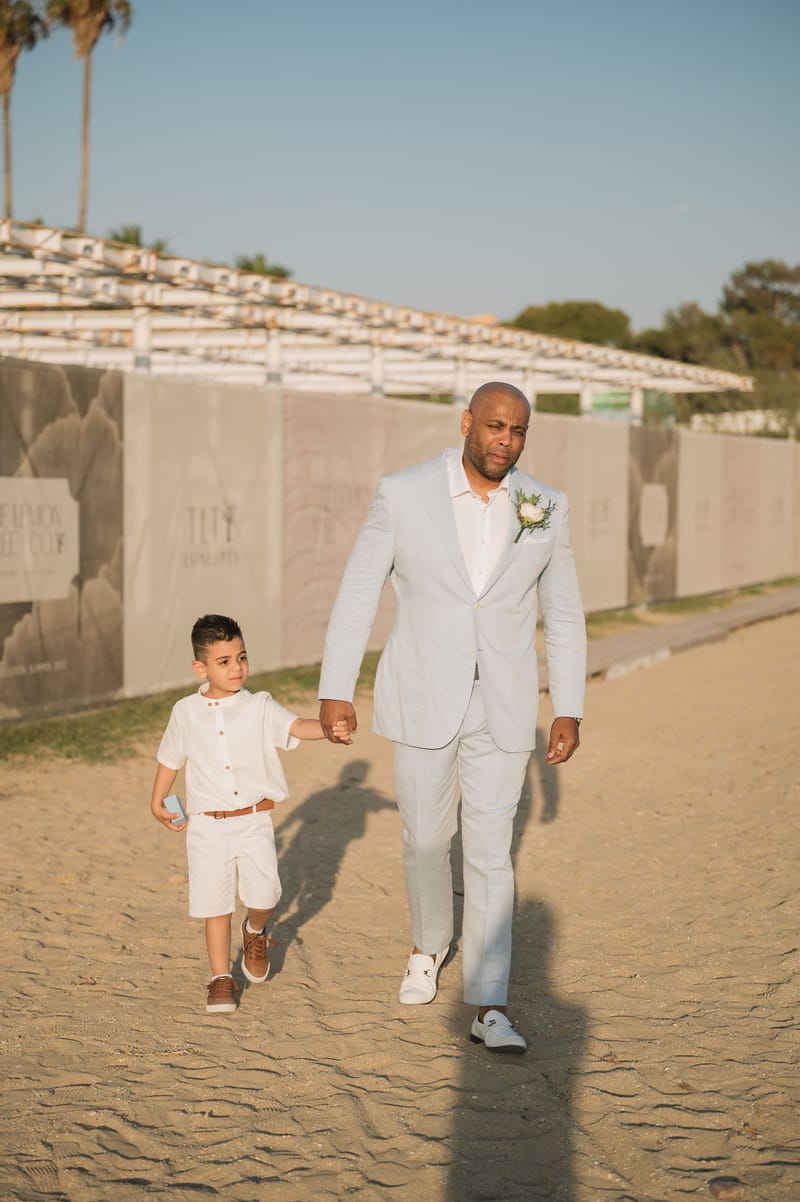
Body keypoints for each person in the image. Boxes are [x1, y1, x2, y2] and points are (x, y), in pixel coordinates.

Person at [318, 382, 586, 1052]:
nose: (506, 440)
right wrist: (335, 687)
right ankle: (428, 944)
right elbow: (358, 591)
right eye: (496, 426)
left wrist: (569, 705)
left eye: (518, 431)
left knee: (492, 850)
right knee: (427, 841)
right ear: (468, 422)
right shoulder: (403, 493)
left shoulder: (545, 506)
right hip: (421, 695)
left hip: (504, 701)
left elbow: (565, 613)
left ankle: (490, 1002)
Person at [151, 613, 351, 1014]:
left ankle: (255, 929)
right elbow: (170, 758)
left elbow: (296, 727)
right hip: (207, 825)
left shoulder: (260, 705)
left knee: (265, 896)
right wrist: (157, 800)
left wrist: (331, 729)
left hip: (254, 820)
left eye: (241, 657)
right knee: (215, 904)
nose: (236, 668)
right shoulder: (185, 712)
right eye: (224, 661)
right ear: (200, 667)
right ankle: (220, 978)